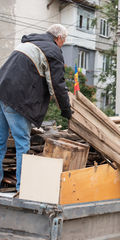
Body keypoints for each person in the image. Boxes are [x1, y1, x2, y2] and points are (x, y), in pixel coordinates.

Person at [0, 24, 72, 191]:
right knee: (22, 144)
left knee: (0, 143)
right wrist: (66, 110)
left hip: (2, 92)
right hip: (17, 98)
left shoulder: (28, 43)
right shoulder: (53, 51)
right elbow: (57, 85)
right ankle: (21, 188)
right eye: (64, 41)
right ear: (59, 38)